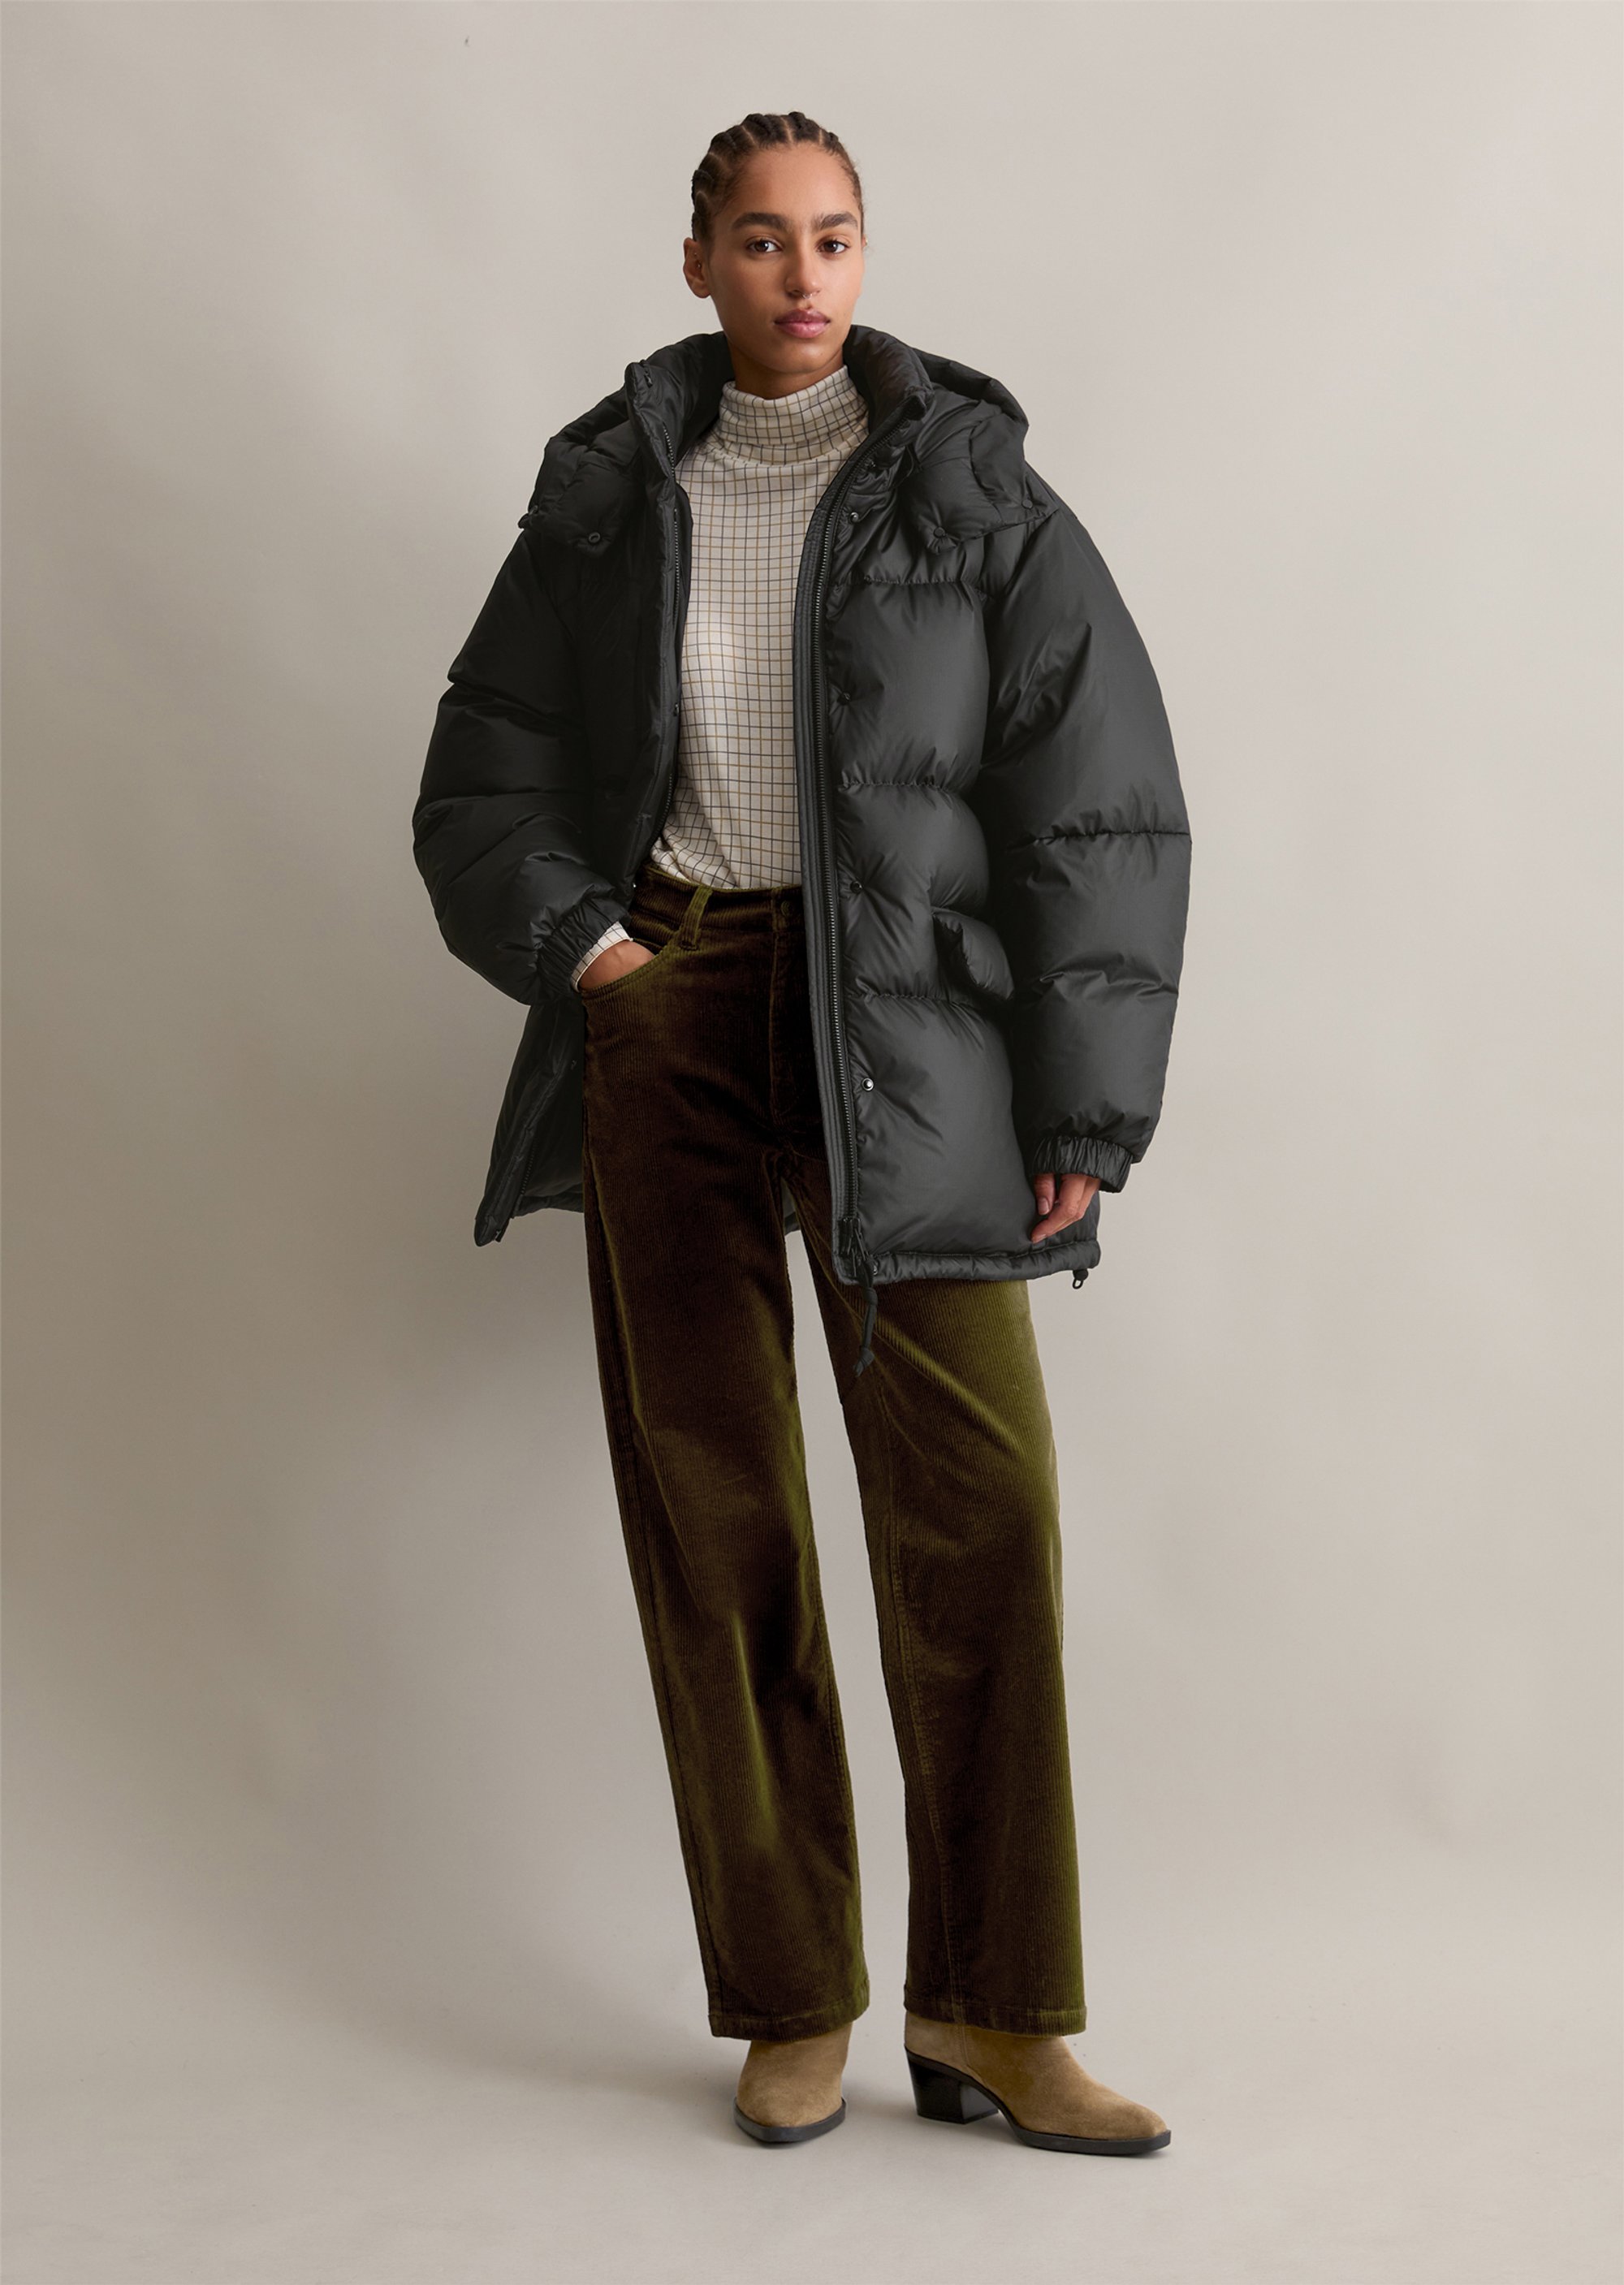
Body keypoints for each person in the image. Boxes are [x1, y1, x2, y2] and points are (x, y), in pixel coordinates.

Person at [413, 110, 1190, 2157]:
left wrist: (1086, 1101)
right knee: (716, 1517)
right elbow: (481, 773)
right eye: (760, 240)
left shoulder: (967, 489)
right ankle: (788, 2002)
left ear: (866, 253)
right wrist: (588, 952)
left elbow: (1096, 796)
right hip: (666, 1006)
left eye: (833, 236)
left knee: (980, 1522)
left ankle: (997, 2014)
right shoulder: (608, 493)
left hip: (912, 1037)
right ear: (697, 262)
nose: (802, 274)